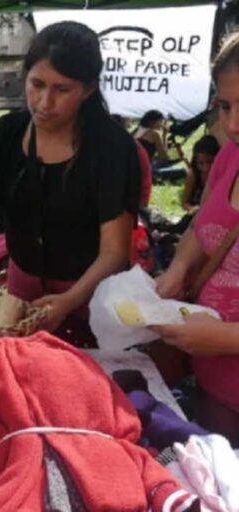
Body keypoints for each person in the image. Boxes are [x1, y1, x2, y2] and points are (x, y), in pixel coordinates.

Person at [0, 21, 140, 347]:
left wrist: (69, 300)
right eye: (37, 84)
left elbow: (114, 252)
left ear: (89, 88)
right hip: (22, 289)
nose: (44, 102)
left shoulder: (113, 149)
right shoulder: (5, 136)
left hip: (92, 296)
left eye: (62, 90)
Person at [152, 32, 239, 445]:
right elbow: (203, 227)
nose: (233, 124)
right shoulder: (229, 156)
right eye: (225, 106)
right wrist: (179, 268)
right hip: (213, 392)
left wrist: (221, 337)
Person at [181, 134, 220, 211]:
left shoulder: (223, 175)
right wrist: (193, 209)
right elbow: (185, 203)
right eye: (201, 163)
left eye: (210, 162)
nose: (206, 168)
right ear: (195, 162)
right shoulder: (193, 175)